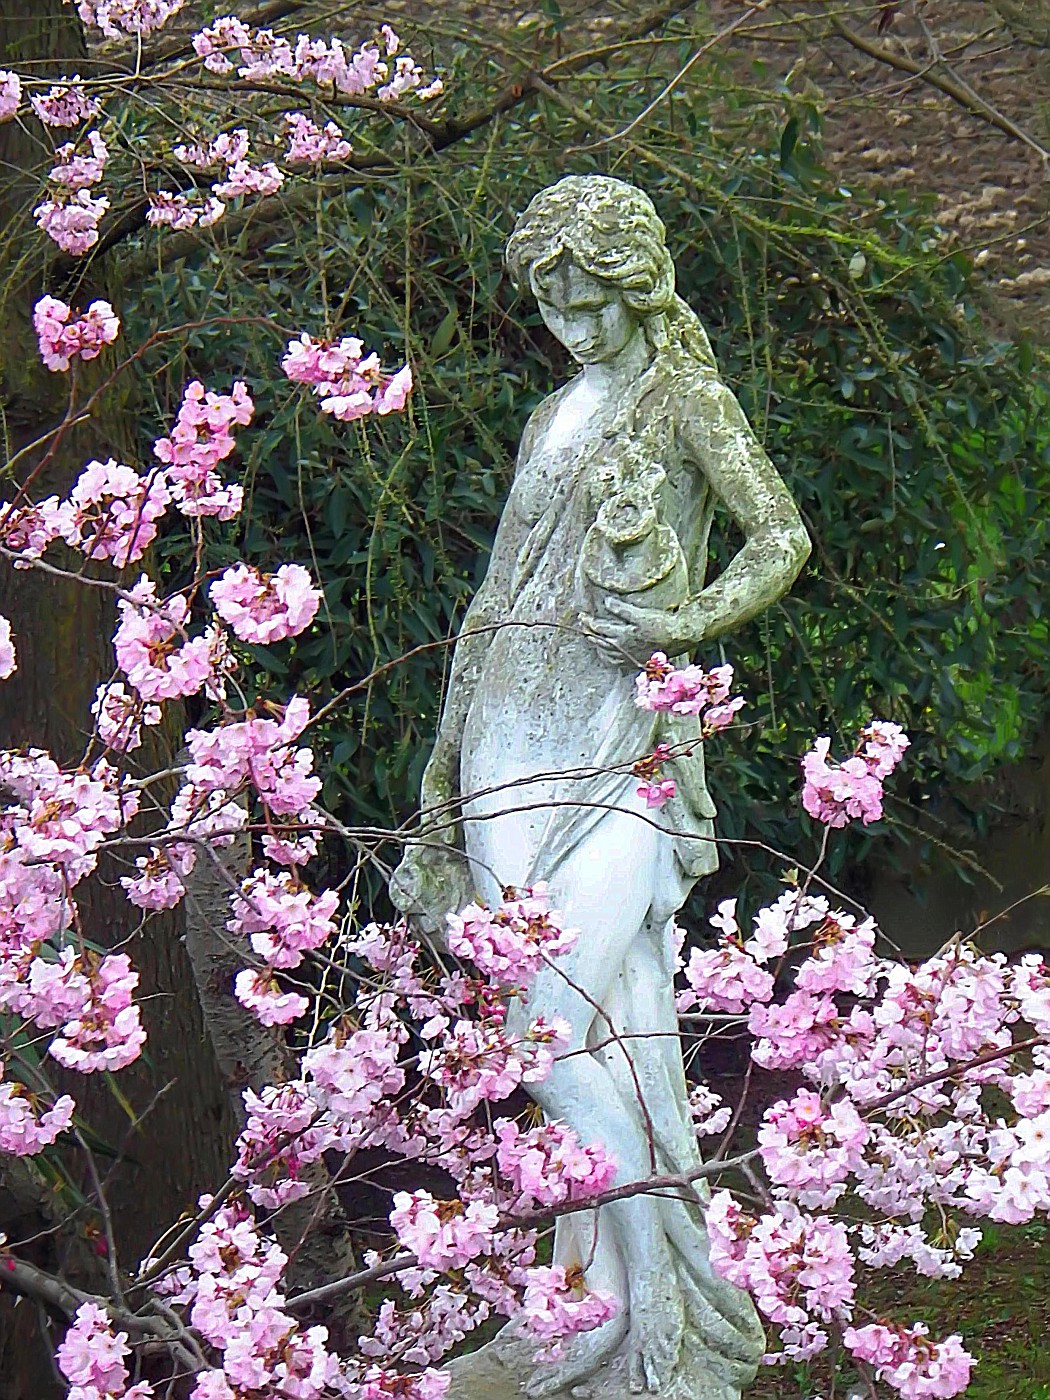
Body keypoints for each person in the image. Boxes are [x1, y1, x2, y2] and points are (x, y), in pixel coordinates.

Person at [391, 175, 810, 1399]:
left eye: (586, 293)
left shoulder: (686, 396)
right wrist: (445, 743)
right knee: (593, 1017)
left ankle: (648, 1299)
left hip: (620, 739)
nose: (569, 318)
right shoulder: (551, 414)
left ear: (635, 280)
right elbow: (491, 593)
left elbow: (778, 533)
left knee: (549, 1024)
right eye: (549, 298)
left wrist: (686, 617)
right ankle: (592, 1306)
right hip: (503, 734)